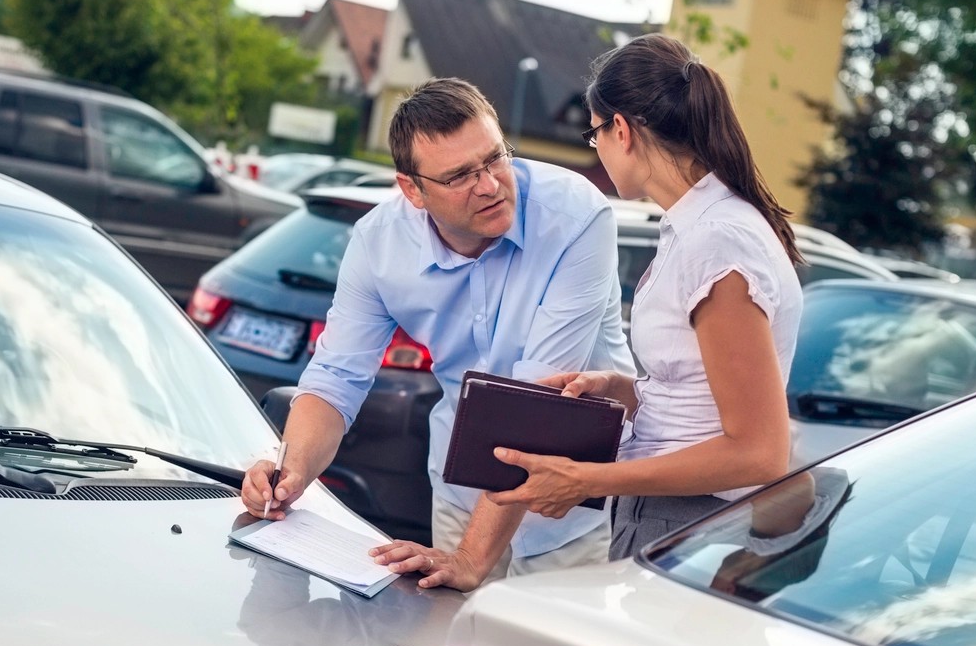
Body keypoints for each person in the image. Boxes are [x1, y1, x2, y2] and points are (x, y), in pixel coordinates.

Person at [239, 77, 635, 590]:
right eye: (459, 176)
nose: (490, 184)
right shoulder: (379, 242)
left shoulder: (577, 216)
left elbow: (540, 404)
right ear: (412, 190)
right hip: (462, 494)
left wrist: (471, 558)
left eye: (495, 159)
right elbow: (335, 378)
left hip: (577, 510)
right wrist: (288, 474)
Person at [485, 33, 805, 560]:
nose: (598, 151)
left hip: (691, 523)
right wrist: (622, 388)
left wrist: (587, 478)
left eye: (594, 136)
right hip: (676, 516)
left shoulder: (716, 240)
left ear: (621, 129)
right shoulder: (703, 225)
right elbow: (702, 397)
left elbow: (759, 452)